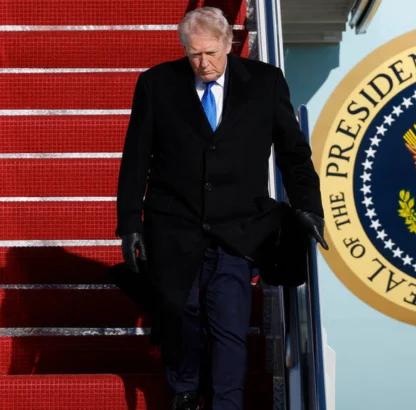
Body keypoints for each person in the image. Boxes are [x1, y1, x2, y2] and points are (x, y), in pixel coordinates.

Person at [114, 6, 327, 410]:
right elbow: (135, 158)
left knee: (230, 323)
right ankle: (185, 391)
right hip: (174, 223)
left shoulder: (265, 83)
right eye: (194, 54)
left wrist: (308, 207)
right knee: (179, 313)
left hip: (239, 227)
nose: (203, 63)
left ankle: (227, 403)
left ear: (229, 44)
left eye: (211, 53)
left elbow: (293, 153)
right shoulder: (157, 84)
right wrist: (130, 224)